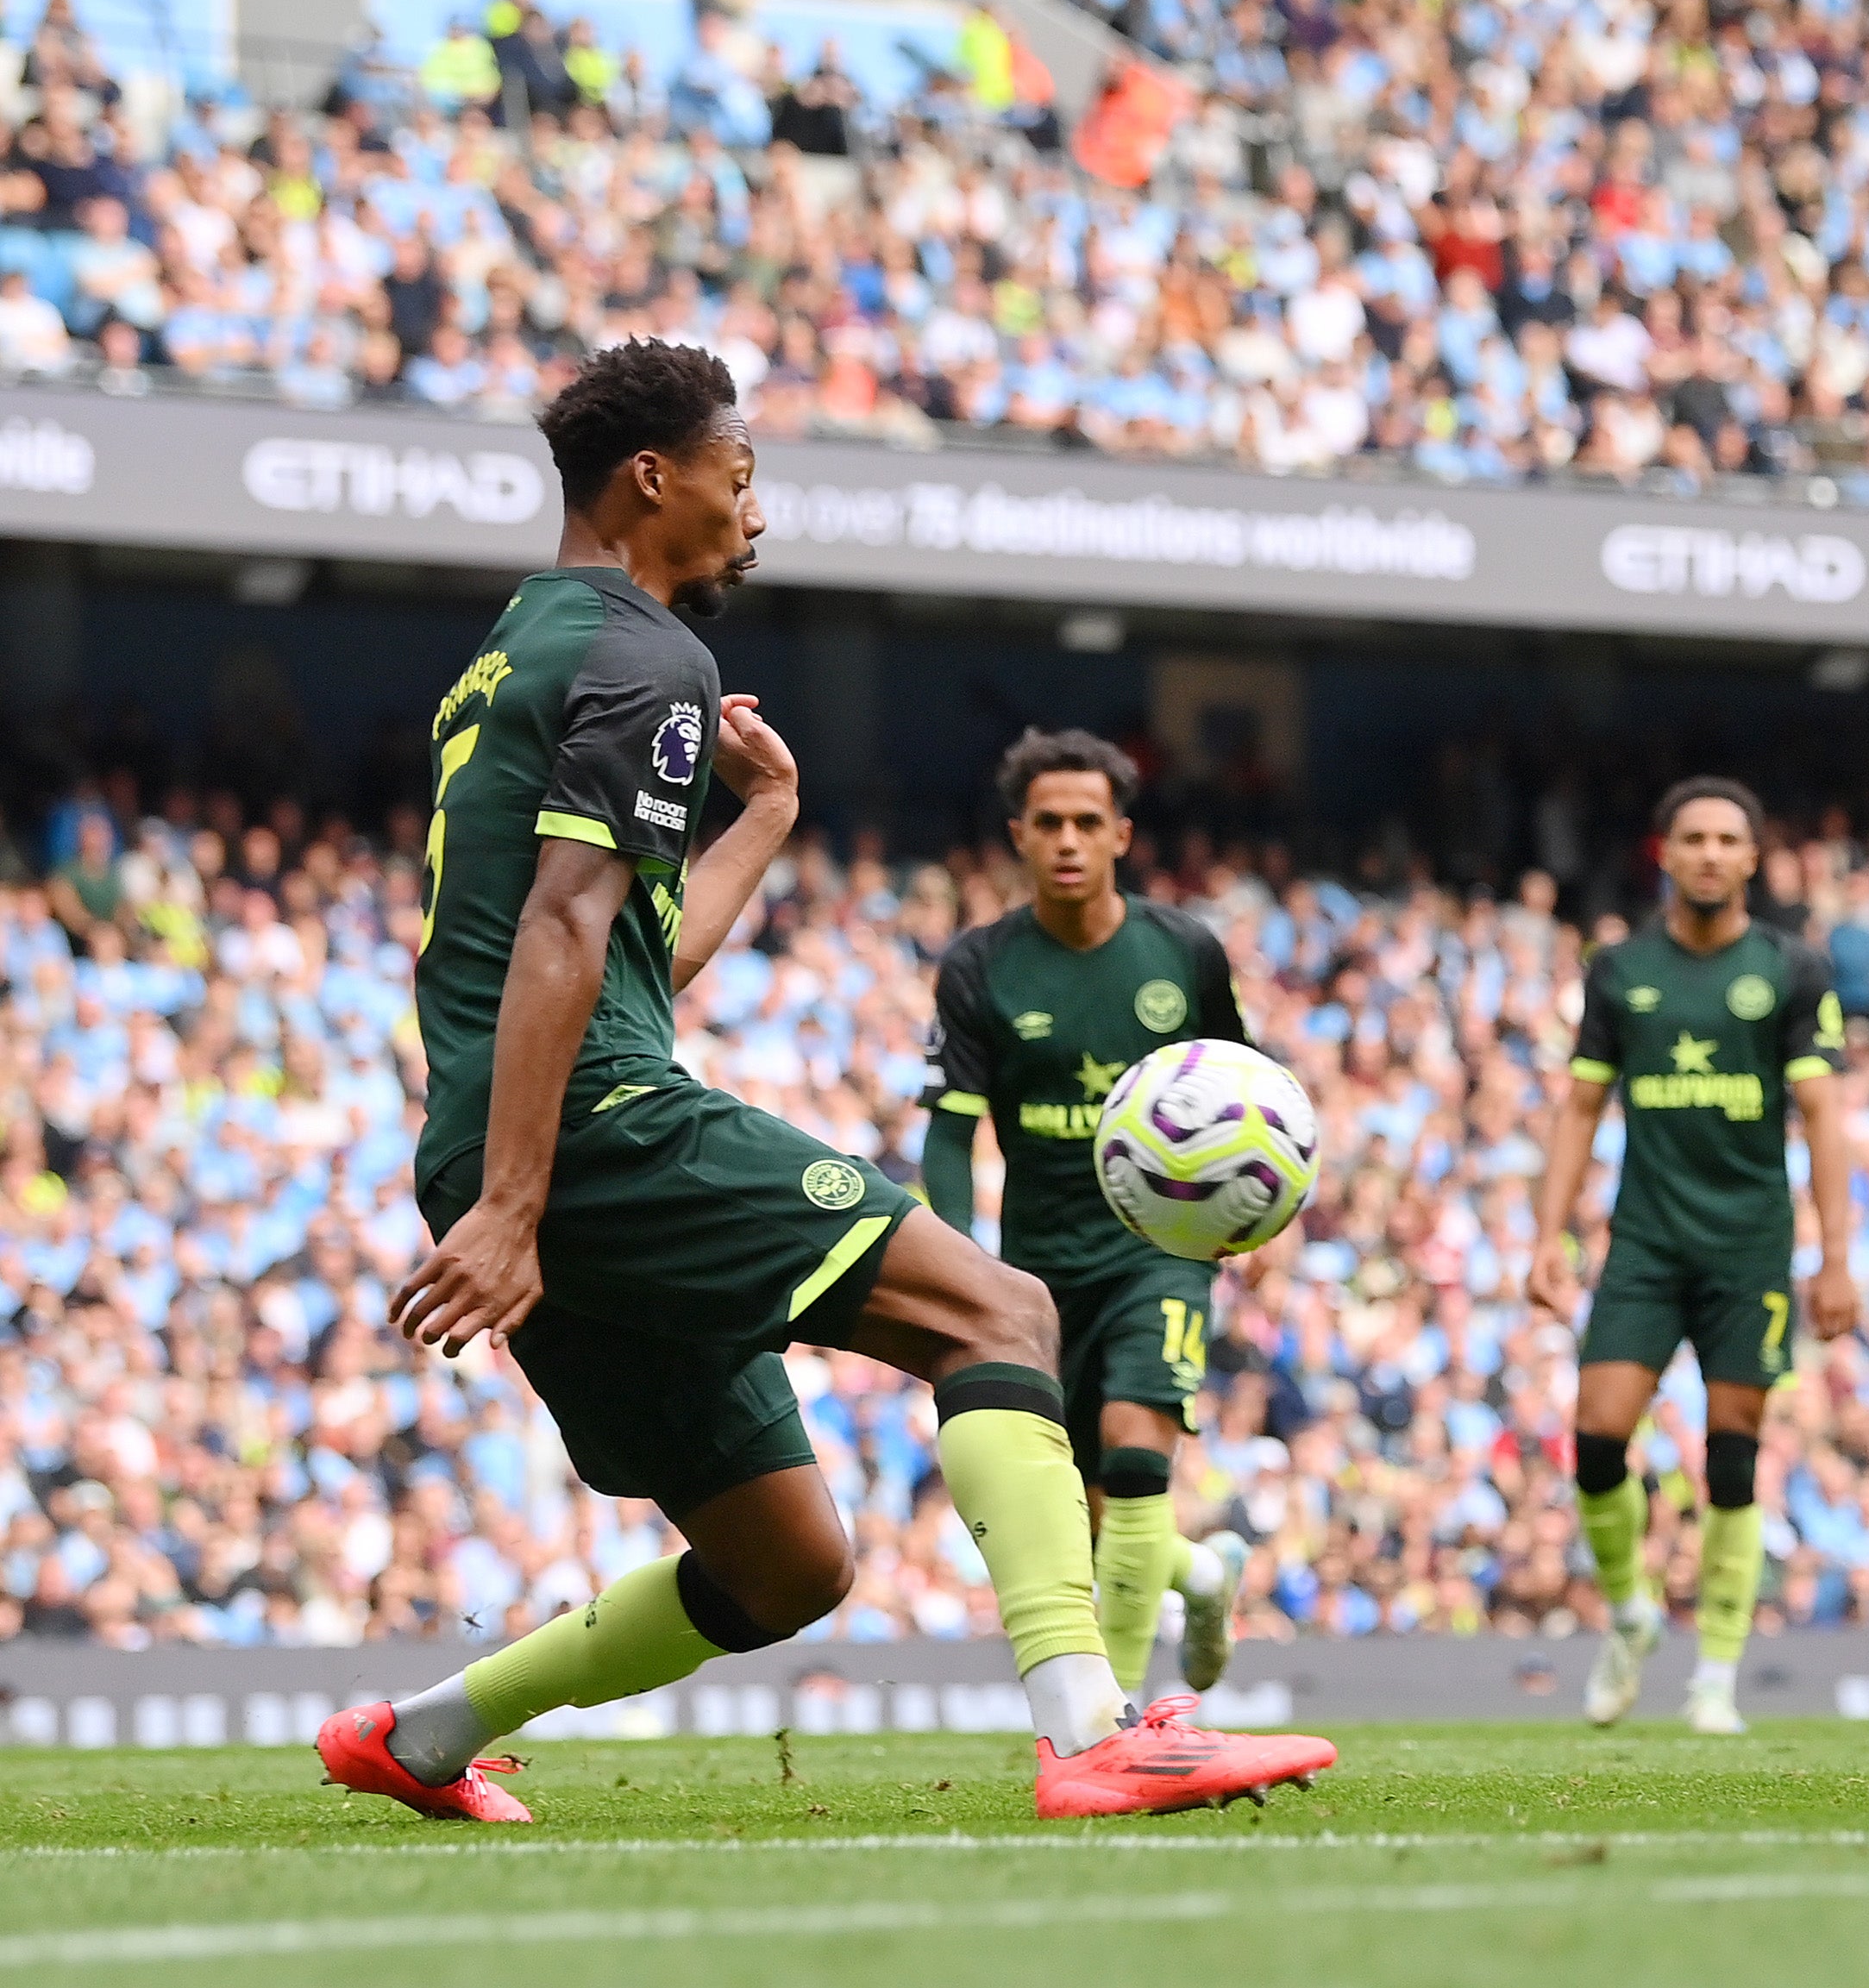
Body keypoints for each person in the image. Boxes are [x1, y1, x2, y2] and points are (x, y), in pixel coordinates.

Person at [317, 341, 1333, 1822]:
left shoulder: (516, 651)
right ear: (652, 479)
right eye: (740, 477)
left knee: (786, 1562)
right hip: (586, 1129)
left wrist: (770, 814)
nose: (756, 513)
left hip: (505, 1133)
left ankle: (413, 1736)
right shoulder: (646, 652)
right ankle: (1092, 1732)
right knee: (1000, 1310)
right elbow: (562, 929)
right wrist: (523, 1200)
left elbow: (629, 945)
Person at [920, 728, 1276, 1703]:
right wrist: (958, 1261)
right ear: (1018, 837)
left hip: (1161, 1251)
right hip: (1036, 1270)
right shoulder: (979, 967)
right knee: (1082, 1517)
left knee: (1134, 1453)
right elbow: (949, 1134)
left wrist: (1258, 1231)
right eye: (1049, 824)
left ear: (1122, 833)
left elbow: (1249, 1104)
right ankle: (1200, 1577)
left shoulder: (1184, 954)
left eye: (1088, 822)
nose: (1069, 839)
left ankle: (1117, 1722)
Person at [1525, 778, 1856, 1734]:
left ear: (1753, 859)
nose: (1710, 853)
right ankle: (1630, 1612)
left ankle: (1715, 1672)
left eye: (1728, 839)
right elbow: (1581, 1108)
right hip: (1645, 1241)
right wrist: (1547, 1239)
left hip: (1748, 1248)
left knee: (1733, 1457)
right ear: (1662, 852)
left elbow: (1825, 1115)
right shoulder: (1620, 970)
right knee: (1595, 1434)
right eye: (1693, 838)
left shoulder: (1791, 971)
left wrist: (1836, 1258)